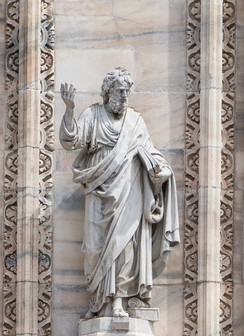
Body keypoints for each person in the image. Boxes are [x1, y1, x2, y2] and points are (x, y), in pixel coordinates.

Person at [60, 68, 179, 319]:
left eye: (127, 92)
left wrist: (162, 170)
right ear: (108, 92)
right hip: (98, 187)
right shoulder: (92, 115)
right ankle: (98, 300)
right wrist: (70, 110)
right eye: (119, 91)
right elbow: (71, 140)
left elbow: (150, 152)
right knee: (94, 247)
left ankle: (118, 301)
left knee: (126, 246)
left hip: (129, 186)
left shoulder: (136, 121)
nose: (124, 96)